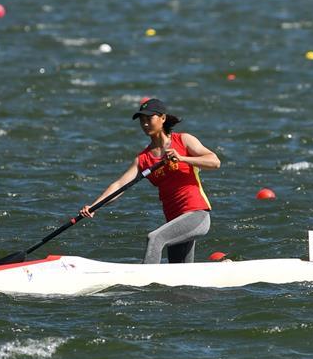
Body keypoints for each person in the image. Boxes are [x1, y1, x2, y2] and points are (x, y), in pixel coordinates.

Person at [80, 98, 221, 264]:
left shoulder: (183, 140)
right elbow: (119, 185)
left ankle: (143, 280)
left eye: (149, 118)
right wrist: (94, 206)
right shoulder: (143, 159)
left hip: (196, 214)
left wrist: (182, 158)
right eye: (142, 120)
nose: (145, 124)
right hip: (173, 221)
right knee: (178, 271)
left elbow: (214, 162)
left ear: (163, 118)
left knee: (155, 238)